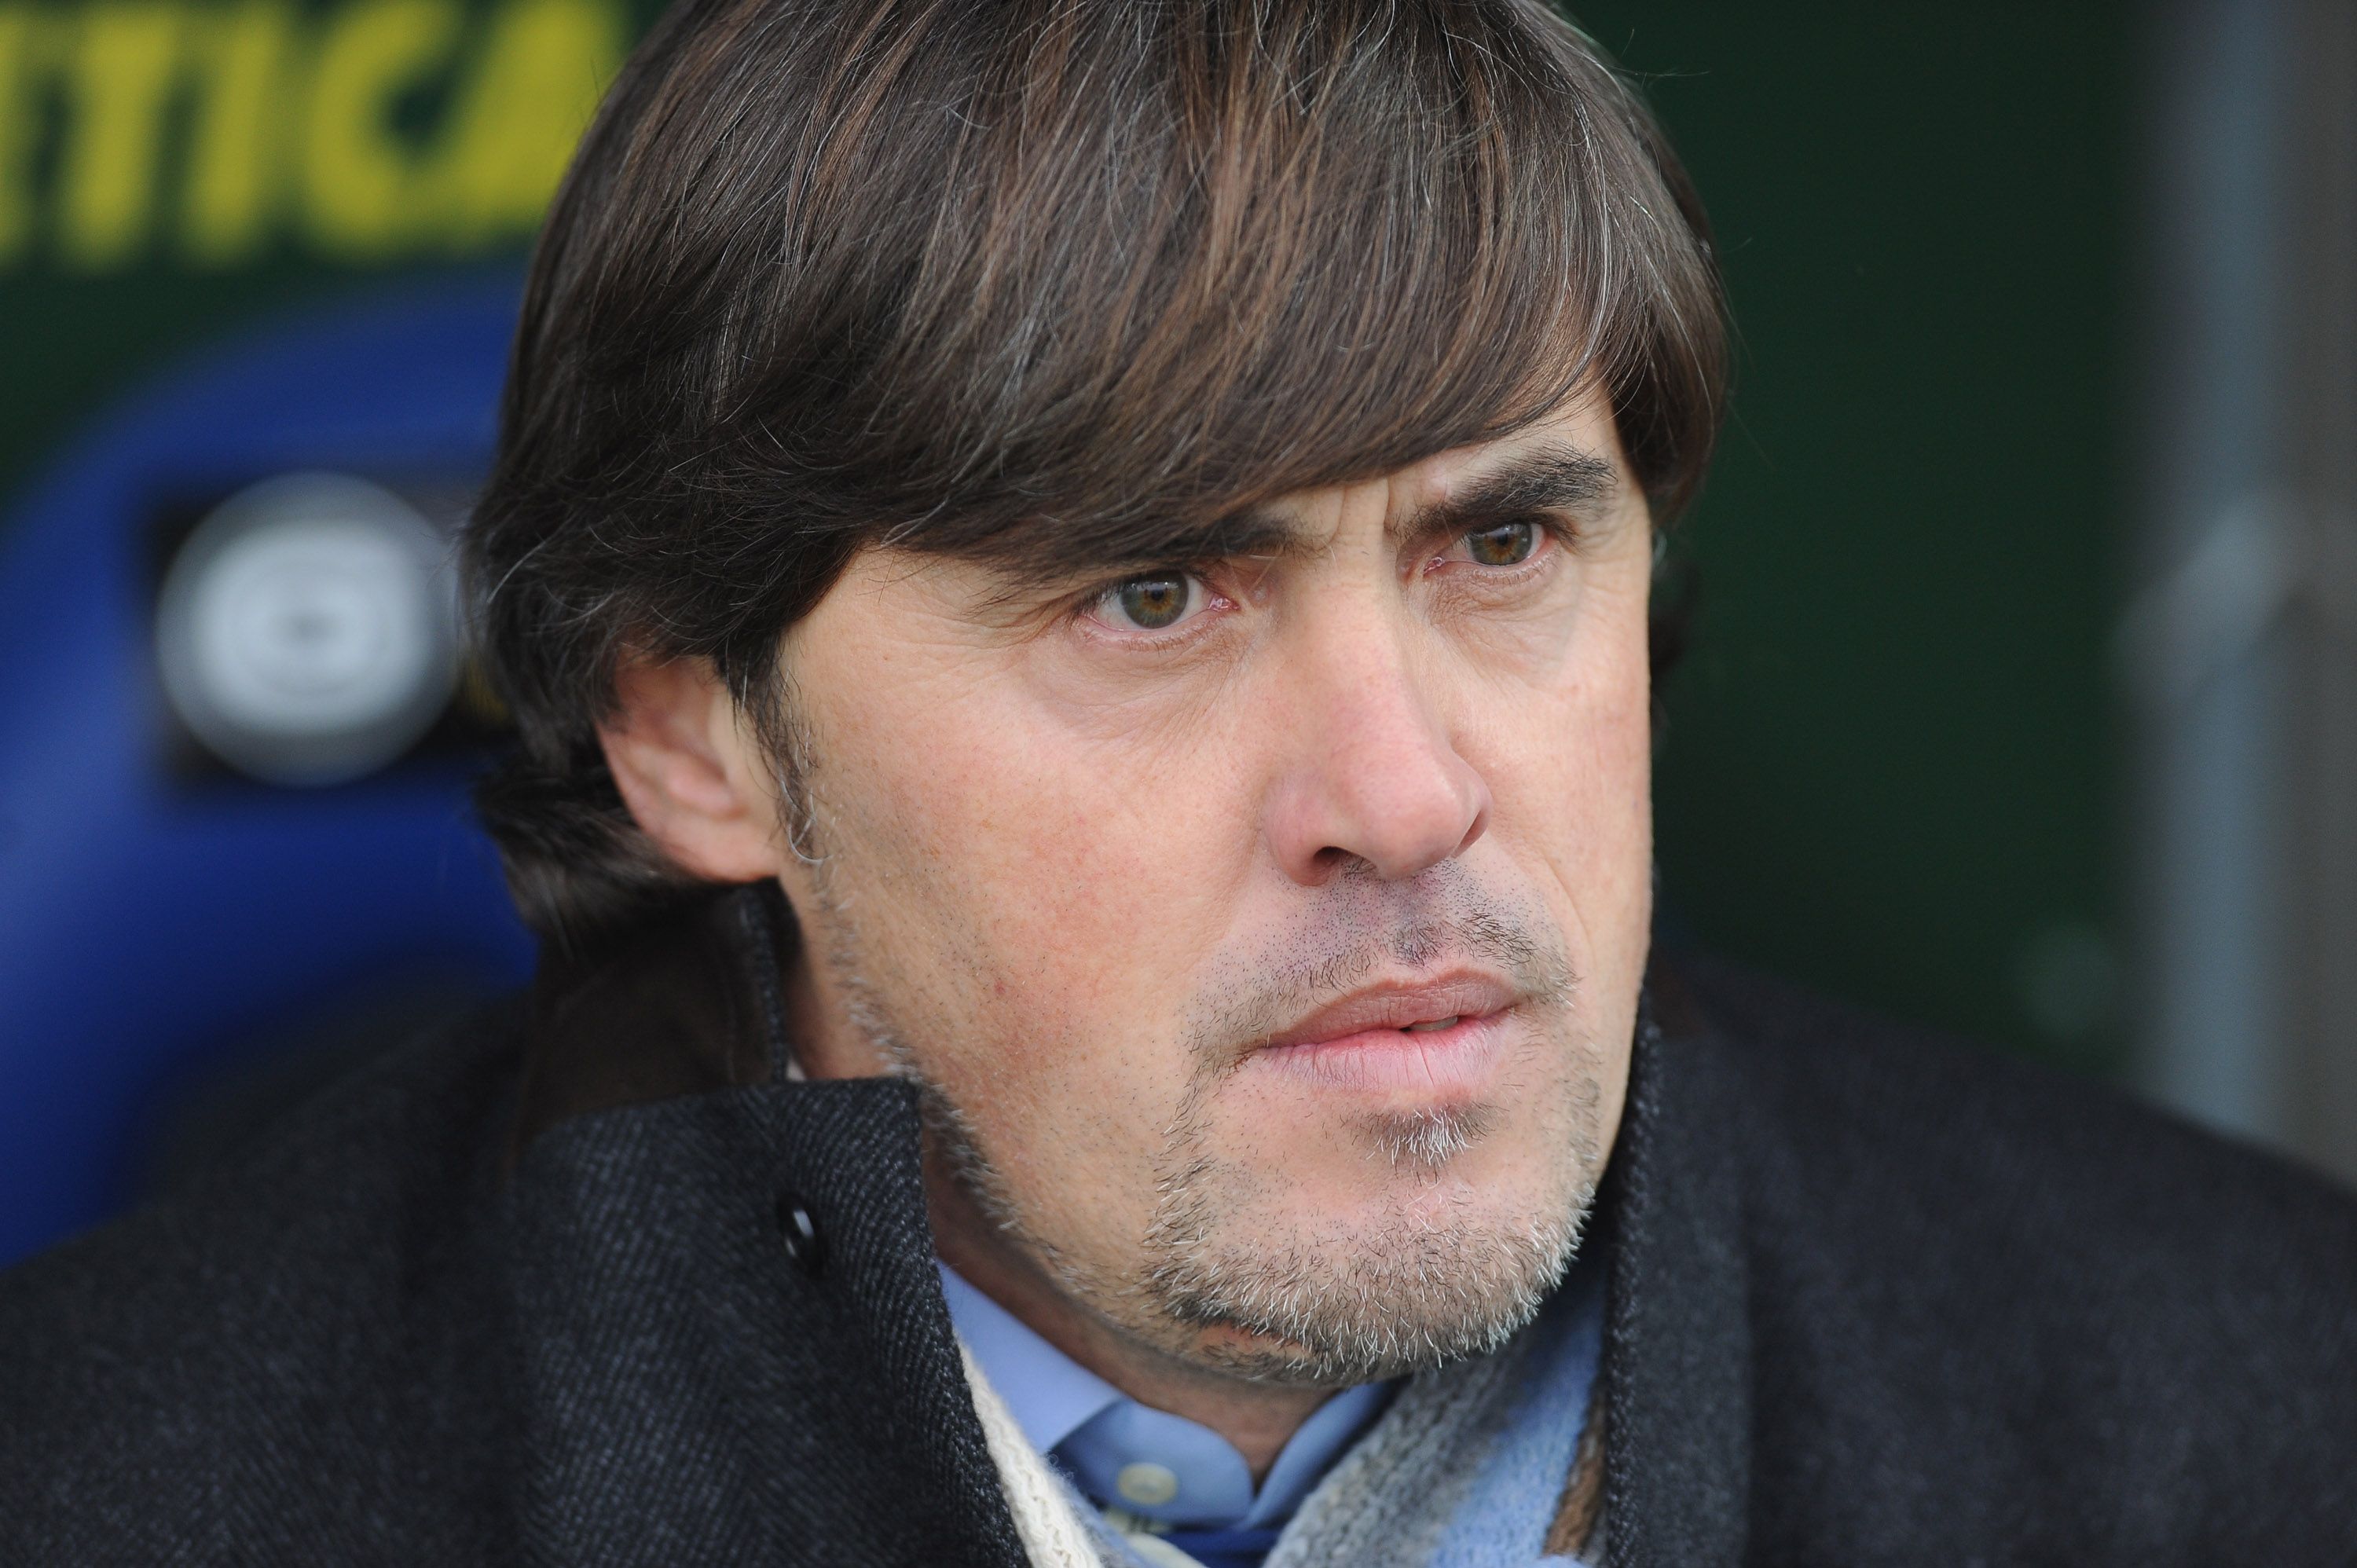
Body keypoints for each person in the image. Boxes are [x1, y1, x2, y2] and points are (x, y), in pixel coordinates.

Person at [5, 1, 2355, 1563]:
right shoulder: (127, 1480)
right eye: (1150, 595)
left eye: (1505, 540)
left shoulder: (2256, 1426)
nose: (1408, 790)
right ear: (688, 728)